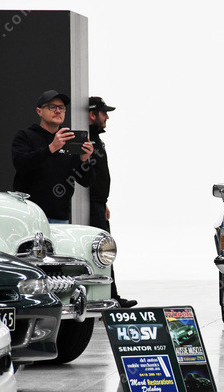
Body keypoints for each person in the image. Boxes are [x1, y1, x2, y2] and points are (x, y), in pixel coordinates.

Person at [12, 90, 94, 223]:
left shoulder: (69, 140)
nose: (58, 111)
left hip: (60, 217)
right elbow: (22, 165)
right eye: (52, 107)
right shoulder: (25, 136)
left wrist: (84, 160)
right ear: (39, 111)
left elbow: (86, 181)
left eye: (61, 108)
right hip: (30, 214)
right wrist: (51, 148)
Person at [88, 96, 137, 308]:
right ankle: (107, 298)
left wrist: (103, 201)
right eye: (104, 112)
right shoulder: (85, 139)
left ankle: (110, 296)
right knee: (101, 251)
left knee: (105, 250)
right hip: (90, 206)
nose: (107, 117)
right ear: (92, 114)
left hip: (98, 204)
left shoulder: (95, 139)